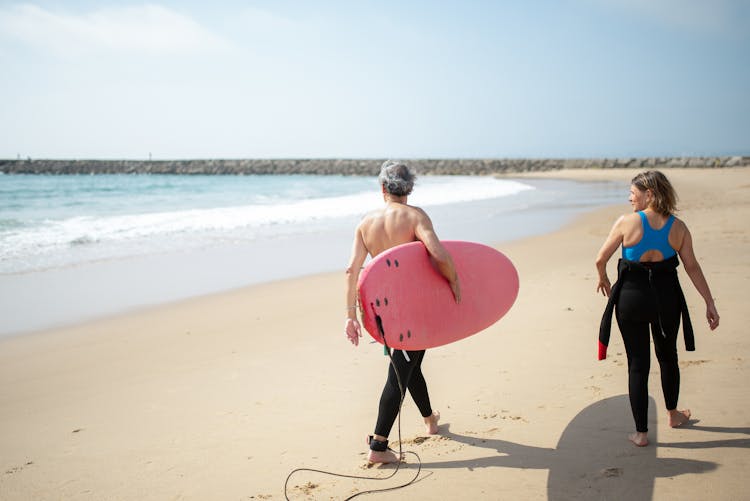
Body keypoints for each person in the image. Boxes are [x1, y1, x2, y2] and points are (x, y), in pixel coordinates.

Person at [344, 160, 462, 464]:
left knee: (410, 364)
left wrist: (350, 316)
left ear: (382, 187)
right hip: (413, 310)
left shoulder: (365, 224)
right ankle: (379, 445)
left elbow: (352, 271)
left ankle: (430, 419)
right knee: (399, 372)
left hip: (384, 312)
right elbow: (439, 254)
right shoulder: (415, 216)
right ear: (408, 189)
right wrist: (454, 282)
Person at [595, 170, 719, 447]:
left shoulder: (627, 223)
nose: (630, 198)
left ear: (649, 194)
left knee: (637, 365)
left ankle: (641, 434)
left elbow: (600, 259)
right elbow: (692, 267)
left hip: (631, 299)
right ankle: (673, 415)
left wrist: (603, 277)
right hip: (666, 299)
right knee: (668, 357)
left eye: (633, 192)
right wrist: (709, 302)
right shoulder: (679, 228)